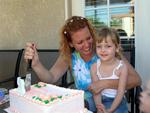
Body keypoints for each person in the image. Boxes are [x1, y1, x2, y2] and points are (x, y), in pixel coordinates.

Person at [24, 16, 141, 112]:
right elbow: (51, 78)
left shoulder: (106, 51)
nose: (87, 45)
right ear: (70, 43)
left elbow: (136, 80)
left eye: (88, 38)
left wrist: (104, 83)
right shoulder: (70, 56)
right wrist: (36, 64)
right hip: (83, 106)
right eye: (80, 42)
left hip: (112, 104)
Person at [90, 27, 128, 113]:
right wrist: (99, 107)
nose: (103, 50)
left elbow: (121, 91)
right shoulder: (94, 67)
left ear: (117, 48)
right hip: (99, 99)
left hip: (117, 100)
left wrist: (111, 110)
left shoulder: (121, 67)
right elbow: (96, 91)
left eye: (108, 46)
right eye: (99, 46)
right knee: (82, 105)